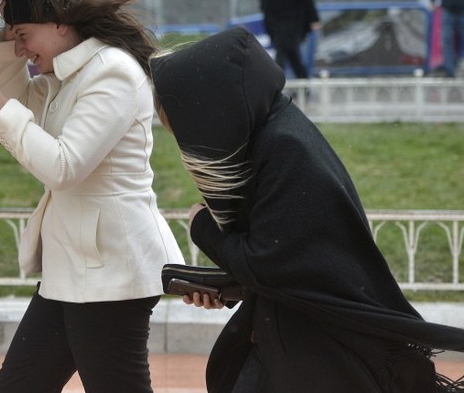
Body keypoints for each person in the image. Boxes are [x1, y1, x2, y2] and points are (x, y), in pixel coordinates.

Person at [149, 26, 464, 393]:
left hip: (320, 354)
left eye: (188, 130)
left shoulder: (285, 150)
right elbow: (293, 264)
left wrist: (201, 226)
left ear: (214, 110)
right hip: (301, 341)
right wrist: (228, 287)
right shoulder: (273, 133)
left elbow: (269, 262)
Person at [0, 0, 185, 393]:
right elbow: (23, 110)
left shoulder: (111, 71)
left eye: (24, 35)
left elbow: (63, 166)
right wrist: (8, 41)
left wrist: (1, 108)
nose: (22, 49)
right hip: (75, 267)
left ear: (60, 23)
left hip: (111, 267)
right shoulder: (67, 73)